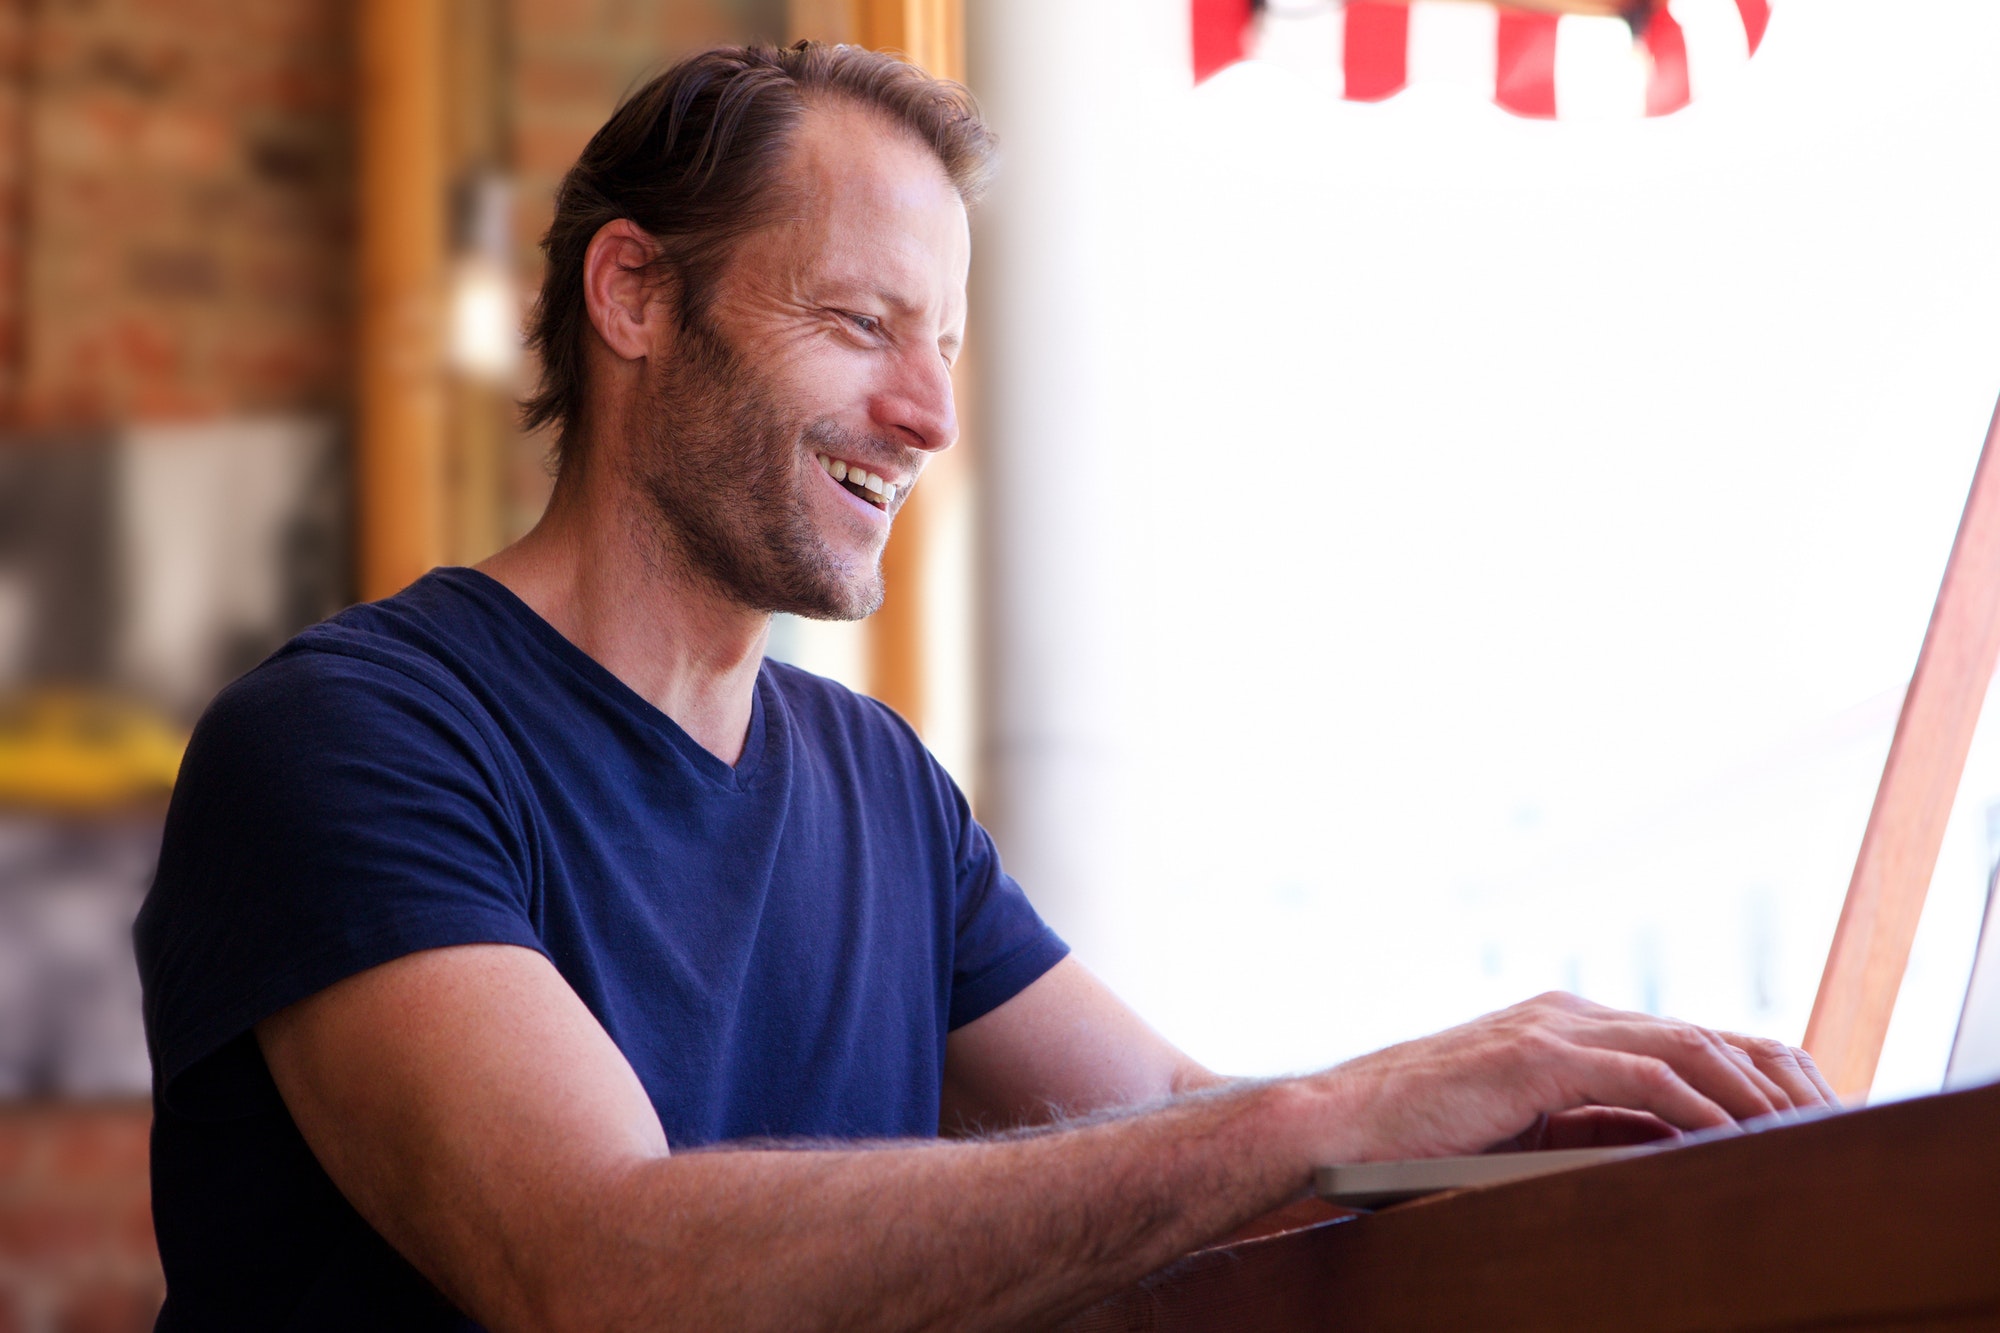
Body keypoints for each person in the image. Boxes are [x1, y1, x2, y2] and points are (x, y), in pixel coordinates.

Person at [134, 41, 1835, 1331]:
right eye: (865, 324)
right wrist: (1322, 1117)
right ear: (635, 293)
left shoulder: (876, 779)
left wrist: (1534, 1134)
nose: (930, 415)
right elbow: (595, 1261)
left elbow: (1168, 1119)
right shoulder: (353, 740)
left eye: (944, 343)